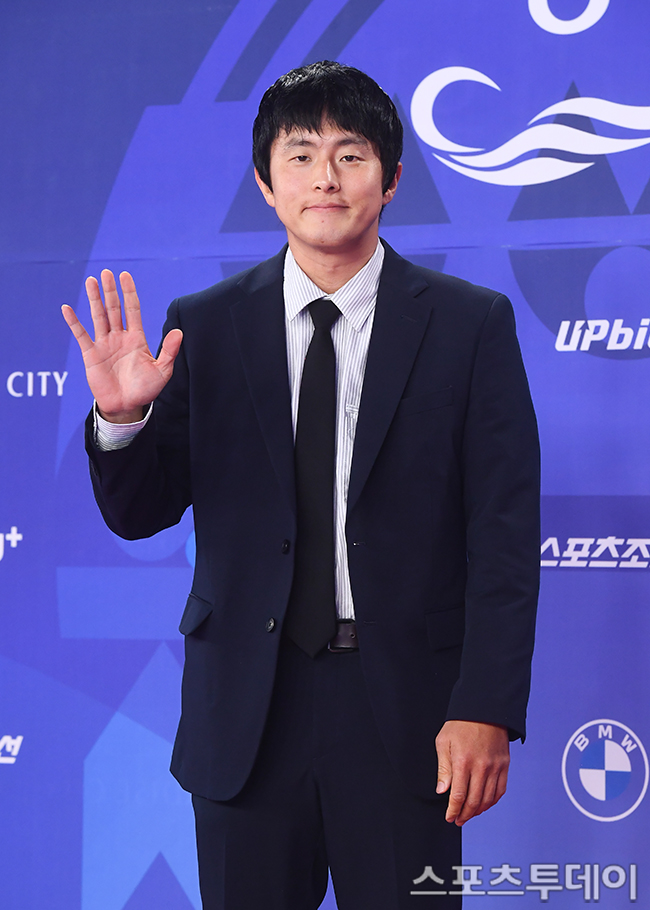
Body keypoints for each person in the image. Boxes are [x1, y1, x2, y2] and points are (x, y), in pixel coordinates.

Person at [62, 61, 540, 910]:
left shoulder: (469, 324)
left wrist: (487, 707)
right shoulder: (203, 326)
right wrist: (122, 419)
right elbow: (139, 513)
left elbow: (503, 535)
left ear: (391, 180)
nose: (326, 178)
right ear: (266, 183)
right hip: (248, 713)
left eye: (351, 155)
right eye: (301, 155)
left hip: (407, 711)